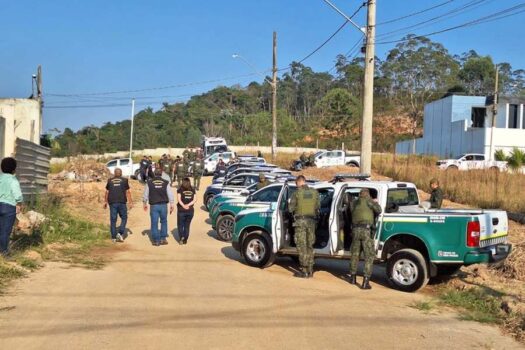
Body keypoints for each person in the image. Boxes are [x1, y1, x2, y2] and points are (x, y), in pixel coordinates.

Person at [349, 188, 382, 290]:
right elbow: (379, 210)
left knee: (355, 254)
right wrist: (375, 202)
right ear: (368, 195)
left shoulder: (354, 202)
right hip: (366, 231)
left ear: (360, 194)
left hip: (355, 230)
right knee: (369, 256)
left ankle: (353, 278)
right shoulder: (370, 201)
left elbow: (351, 211)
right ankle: (365, 282)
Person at [288, 175, 320, 278]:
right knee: (310, 246)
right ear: (305, 181)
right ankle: (310, 270)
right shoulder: (314, 192)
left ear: (298, 182)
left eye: (296, 184)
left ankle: (304, 270)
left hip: (301, 222)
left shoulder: (296, 193)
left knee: (302, 247)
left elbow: (290, 209)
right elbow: (318, 207)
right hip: (311, 222)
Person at [143, 168, 175, 246]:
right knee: (164, 221)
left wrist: (145, 203)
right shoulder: (166, 182)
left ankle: (156, 240)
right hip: (163, 205)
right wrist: (172, 204)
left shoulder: (149, 183)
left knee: (154, 222)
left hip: (154, 206)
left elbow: (145, 194)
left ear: (154, 173)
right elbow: (170, 194)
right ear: (161, 174)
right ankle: (163, 239)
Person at [0, 157, 23, 256]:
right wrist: (19, 203)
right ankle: (4, 252)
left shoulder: (0, 178)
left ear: (1, 168)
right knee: (5, 230)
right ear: (14, 169)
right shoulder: (14, 180)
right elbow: (17, 195)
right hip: (9, 207)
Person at [104, 168, 132, 243]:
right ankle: (120, 233)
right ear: (121, 173)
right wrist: (130, 202)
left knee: (113, 220)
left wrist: (105, 202)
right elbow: (128, 192)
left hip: (112, 202)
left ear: (114, 173)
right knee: (124, 218)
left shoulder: (109, 180)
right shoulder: (125, 180)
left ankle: (113, 238)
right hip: (122, 202)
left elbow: (107, 192)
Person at [177, 177, 197, 245]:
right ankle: (185, 239)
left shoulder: (180, 189)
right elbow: (195, 199)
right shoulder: (193, 189)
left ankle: (181, 238)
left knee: (180, 225)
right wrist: (188, 205)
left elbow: (179, 199)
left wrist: (183, 205)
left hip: (181, 210)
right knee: (187, 225)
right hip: (190, 210)